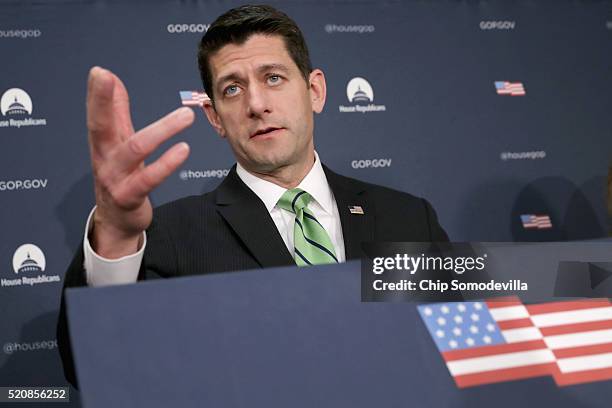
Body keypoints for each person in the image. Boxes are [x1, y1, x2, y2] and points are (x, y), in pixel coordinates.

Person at [57, 4, 449, 387]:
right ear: (214, 117)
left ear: (315, 90)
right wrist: (115, 235)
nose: (257, 105)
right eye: (232, 88)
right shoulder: (169, 237)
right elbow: (88, 366)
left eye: (273, 78)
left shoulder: (409, 218)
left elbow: (472, 346)